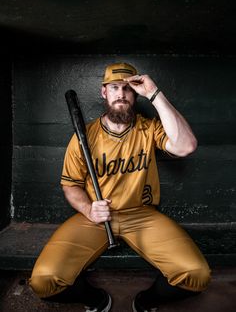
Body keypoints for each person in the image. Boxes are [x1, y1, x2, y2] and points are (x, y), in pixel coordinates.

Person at [29, 62, 211, 312]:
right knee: (43, 281)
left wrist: (155, 93)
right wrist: (88, 209)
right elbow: (70, 185)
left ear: (136, 94)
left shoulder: (149, 128)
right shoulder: (85, 135)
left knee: (196, 274)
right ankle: (97, 300)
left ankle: (145, 302)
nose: (121, 94)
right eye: (114, 87)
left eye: (128, 88)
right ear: (104, 92)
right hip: (96, 218)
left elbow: (186, 146)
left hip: (141, 215)